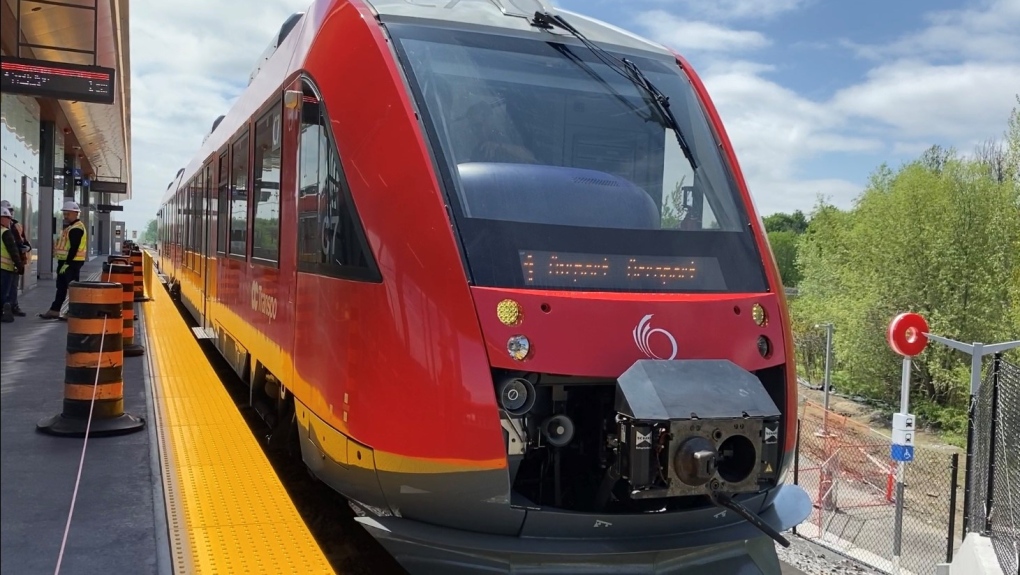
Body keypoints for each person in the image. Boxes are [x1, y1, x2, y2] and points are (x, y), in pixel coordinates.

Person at [40, 200, 87, 320]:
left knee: (72, 288)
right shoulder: (70, 227)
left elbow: (74, 247)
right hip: (66, 262)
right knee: (61, 287)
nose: (66, 216)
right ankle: (54, 310)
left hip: (72, 262)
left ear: (75, 213)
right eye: (65, 214)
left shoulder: (76, 228)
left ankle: (73, 312)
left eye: (68, 214)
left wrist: (67, 263)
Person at [0, 199, 31, 316]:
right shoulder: (6, 230)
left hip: (15, 260)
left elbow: (22, 240)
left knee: (13, 286)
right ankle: (6, 309)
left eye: (11, 211)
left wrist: (27, 247)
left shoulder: (15, 225)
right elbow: (12, 248)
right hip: (10, 261)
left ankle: (13, 306)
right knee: (6, 288)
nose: (10, 214)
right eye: (8, 212)